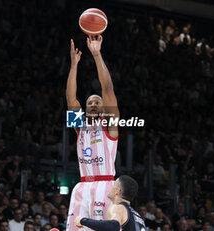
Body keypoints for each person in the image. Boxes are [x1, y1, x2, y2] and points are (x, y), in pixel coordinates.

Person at [66, 35, 119, 231]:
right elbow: (71, 99)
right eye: (90, 103)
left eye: (98, 102)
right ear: (85, 109)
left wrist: (96, 55)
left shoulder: (110, 124)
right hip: (82, 187)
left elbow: (108, 88)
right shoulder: (80, 127)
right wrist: (74, 66)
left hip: (105, 187)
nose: (94, 104)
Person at [74, 175, 146, 231]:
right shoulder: (136, 215)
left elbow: (113, 225)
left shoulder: (118, 208)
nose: (110, 188)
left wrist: (83, 220)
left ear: (117, 191)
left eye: (114, 185)